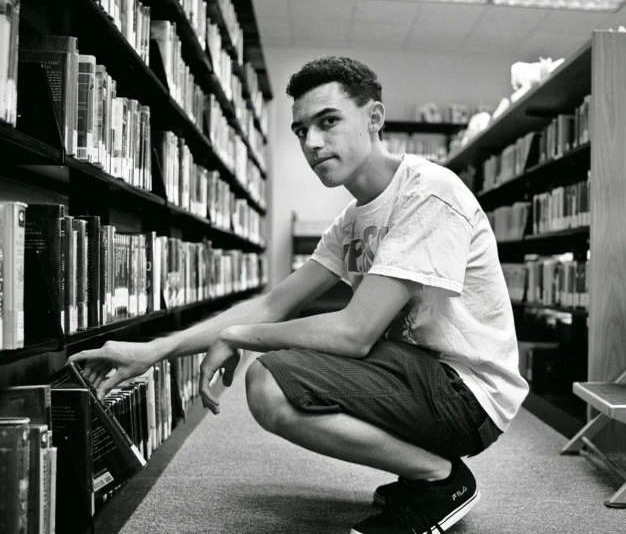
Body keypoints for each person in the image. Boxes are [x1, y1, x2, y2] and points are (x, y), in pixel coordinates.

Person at [69, 56, 529, 534]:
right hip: (417, 374)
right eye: (301, 130)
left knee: (269, 382)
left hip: (467, 394)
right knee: (278, 371)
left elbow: (354, 333)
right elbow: (273, 303)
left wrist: (242, 336)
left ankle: (440, 478)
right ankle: (424, 470)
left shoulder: (429, 193)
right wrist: (155, 350)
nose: (311, 143)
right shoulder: (352, 220)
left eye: (328, 122)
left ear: (373, 118)